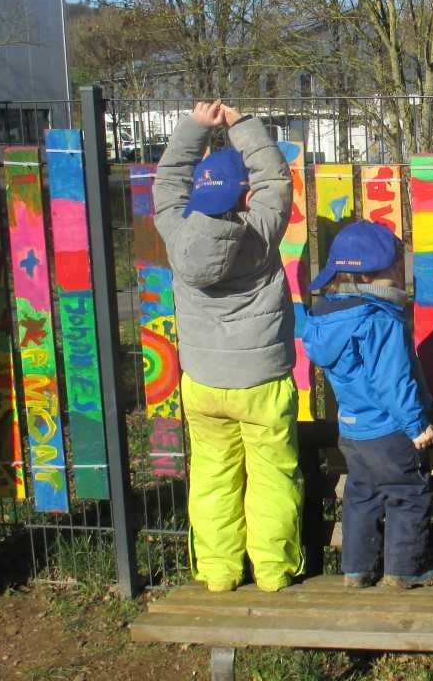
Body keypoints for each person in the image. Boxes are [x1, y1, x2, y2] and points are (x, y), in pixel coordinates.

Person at [152, 100, 302, 593]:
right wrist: (241, 125)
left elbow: (167, 180)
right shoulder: (259, 234)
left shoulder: (176, 234)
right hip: (263, 382)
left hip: (203, 383)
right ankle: (274, 570)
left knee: (213, 477)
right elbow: (277, 180)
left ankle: (219, 572)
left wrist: (195, 127)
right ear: (245, 196)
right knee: (272, 476)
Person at [302, 221, 433, 589]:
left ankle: (356, 569)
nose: (401, 273)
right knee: (407, 494)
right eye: (396, 267)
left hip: (352, 428)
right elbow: (391, 381)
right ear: (369, 277)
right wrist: (416, 425)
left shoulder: (327, 317)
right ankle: (403, 571)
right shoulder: (380, 321)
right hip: (389, 429)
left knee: (361, 496)